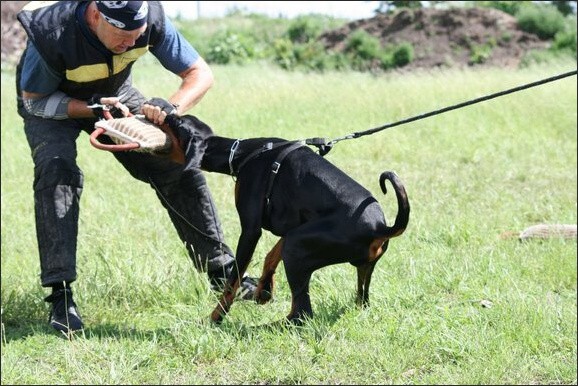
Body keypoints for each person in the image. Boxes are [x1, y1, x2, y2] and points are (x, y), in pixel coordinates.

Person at [15, 1, 257, 334]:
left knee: (175, 161)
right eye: (122, 36)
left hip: (114, 94)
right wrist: (91, 108)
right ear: (96, 15)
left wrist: (169, 109)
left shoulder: (152, 21)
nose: (130, 45)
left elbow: (201, 74)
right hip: (51, 101)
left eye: (136, 36)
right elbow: (34, 100)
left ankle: (223, 275)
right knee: (57, 172)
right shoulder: (52, 34)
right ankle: (61, 298)